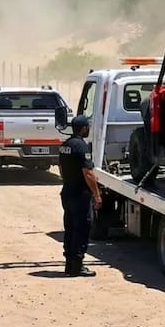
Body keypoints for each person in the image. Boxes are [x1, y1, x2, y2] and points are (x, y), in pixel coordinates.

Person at [58, 115, 102, 277]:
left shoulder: (65, 145)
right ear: (83, 128)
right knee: (82, 227)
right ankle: (77, 265)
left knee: (69, 227)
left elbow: (61, 168)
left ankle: (69, 264)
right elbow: (88, 173)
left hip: (67, 191)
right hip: (79, 194)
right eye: (87, 127)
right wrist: (97, 195)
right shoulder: (82, 147)